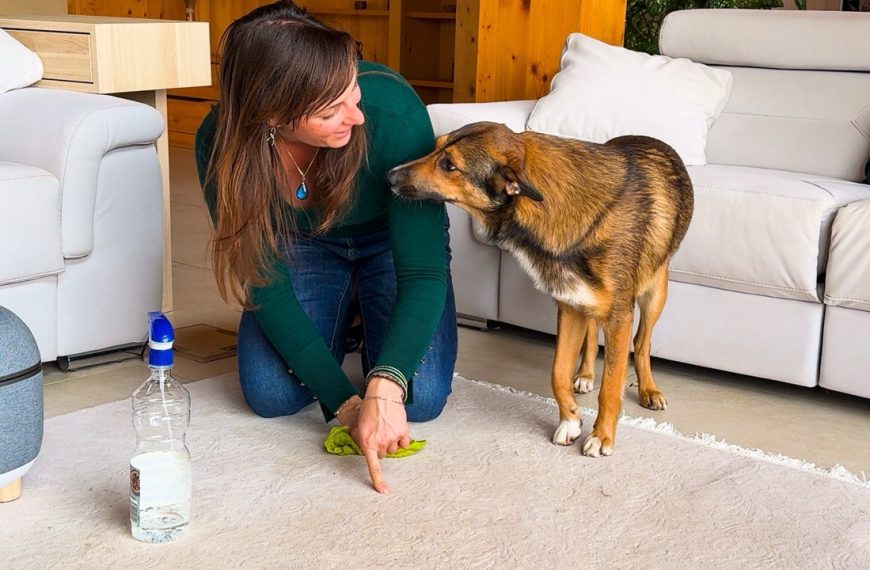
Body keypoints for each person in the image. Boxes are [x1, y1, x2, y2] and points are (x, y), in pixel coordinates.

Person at [194, 0, 457, 494]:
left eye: (351, 88)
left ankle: (361, 315)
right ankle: (350, 318)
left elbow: (422, 272)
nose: (354, 116)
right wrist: (349, 404)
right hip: (304, 245)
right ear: (270, 114)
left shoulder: (394, 114)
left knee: (420, 400)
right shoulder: (221, 143)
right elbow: (264, 280)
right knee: (270, 394)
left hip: (389, 244)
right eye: (331, 109)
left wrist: (386, 384)